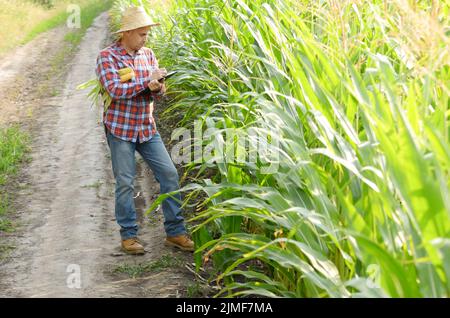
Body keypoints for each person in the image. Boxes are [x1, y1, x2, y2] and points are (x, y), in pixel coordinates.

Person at [95, 6, 194, 254]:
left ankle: (175, 233)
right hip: (121, 130)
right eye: (141, 34)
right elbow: (115, 90)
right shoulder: (107, 57)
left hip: (147, 128)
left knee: (169, 174)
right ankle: (129, 237)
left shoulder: (148, 55)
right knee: (125, 183)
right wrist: (145, 83)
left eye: (147, 34)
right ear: (126, 33)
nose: (145, 39)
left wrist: (158, 86)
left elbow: (159, 93)